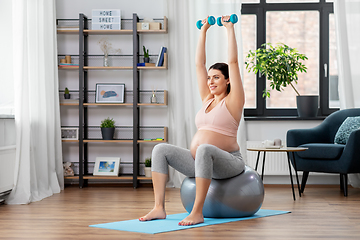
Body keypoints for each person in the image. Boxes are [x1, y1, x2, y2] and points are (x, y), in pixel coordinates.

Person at [139, 15, 245, 226]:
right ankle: (159, 207)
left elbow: (232, 62)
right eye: (209, 77)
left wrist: (229, 29)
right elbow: (199, 64)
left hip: (229, 162)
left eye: (216, 77)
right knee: (160, 150)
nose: (211, 81)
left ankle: (197, 212)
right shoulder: (207, 99)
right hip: (200, 163)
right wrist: (203, 31)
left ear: (228, 80)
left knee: (205, 148)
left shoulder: (234, 101)